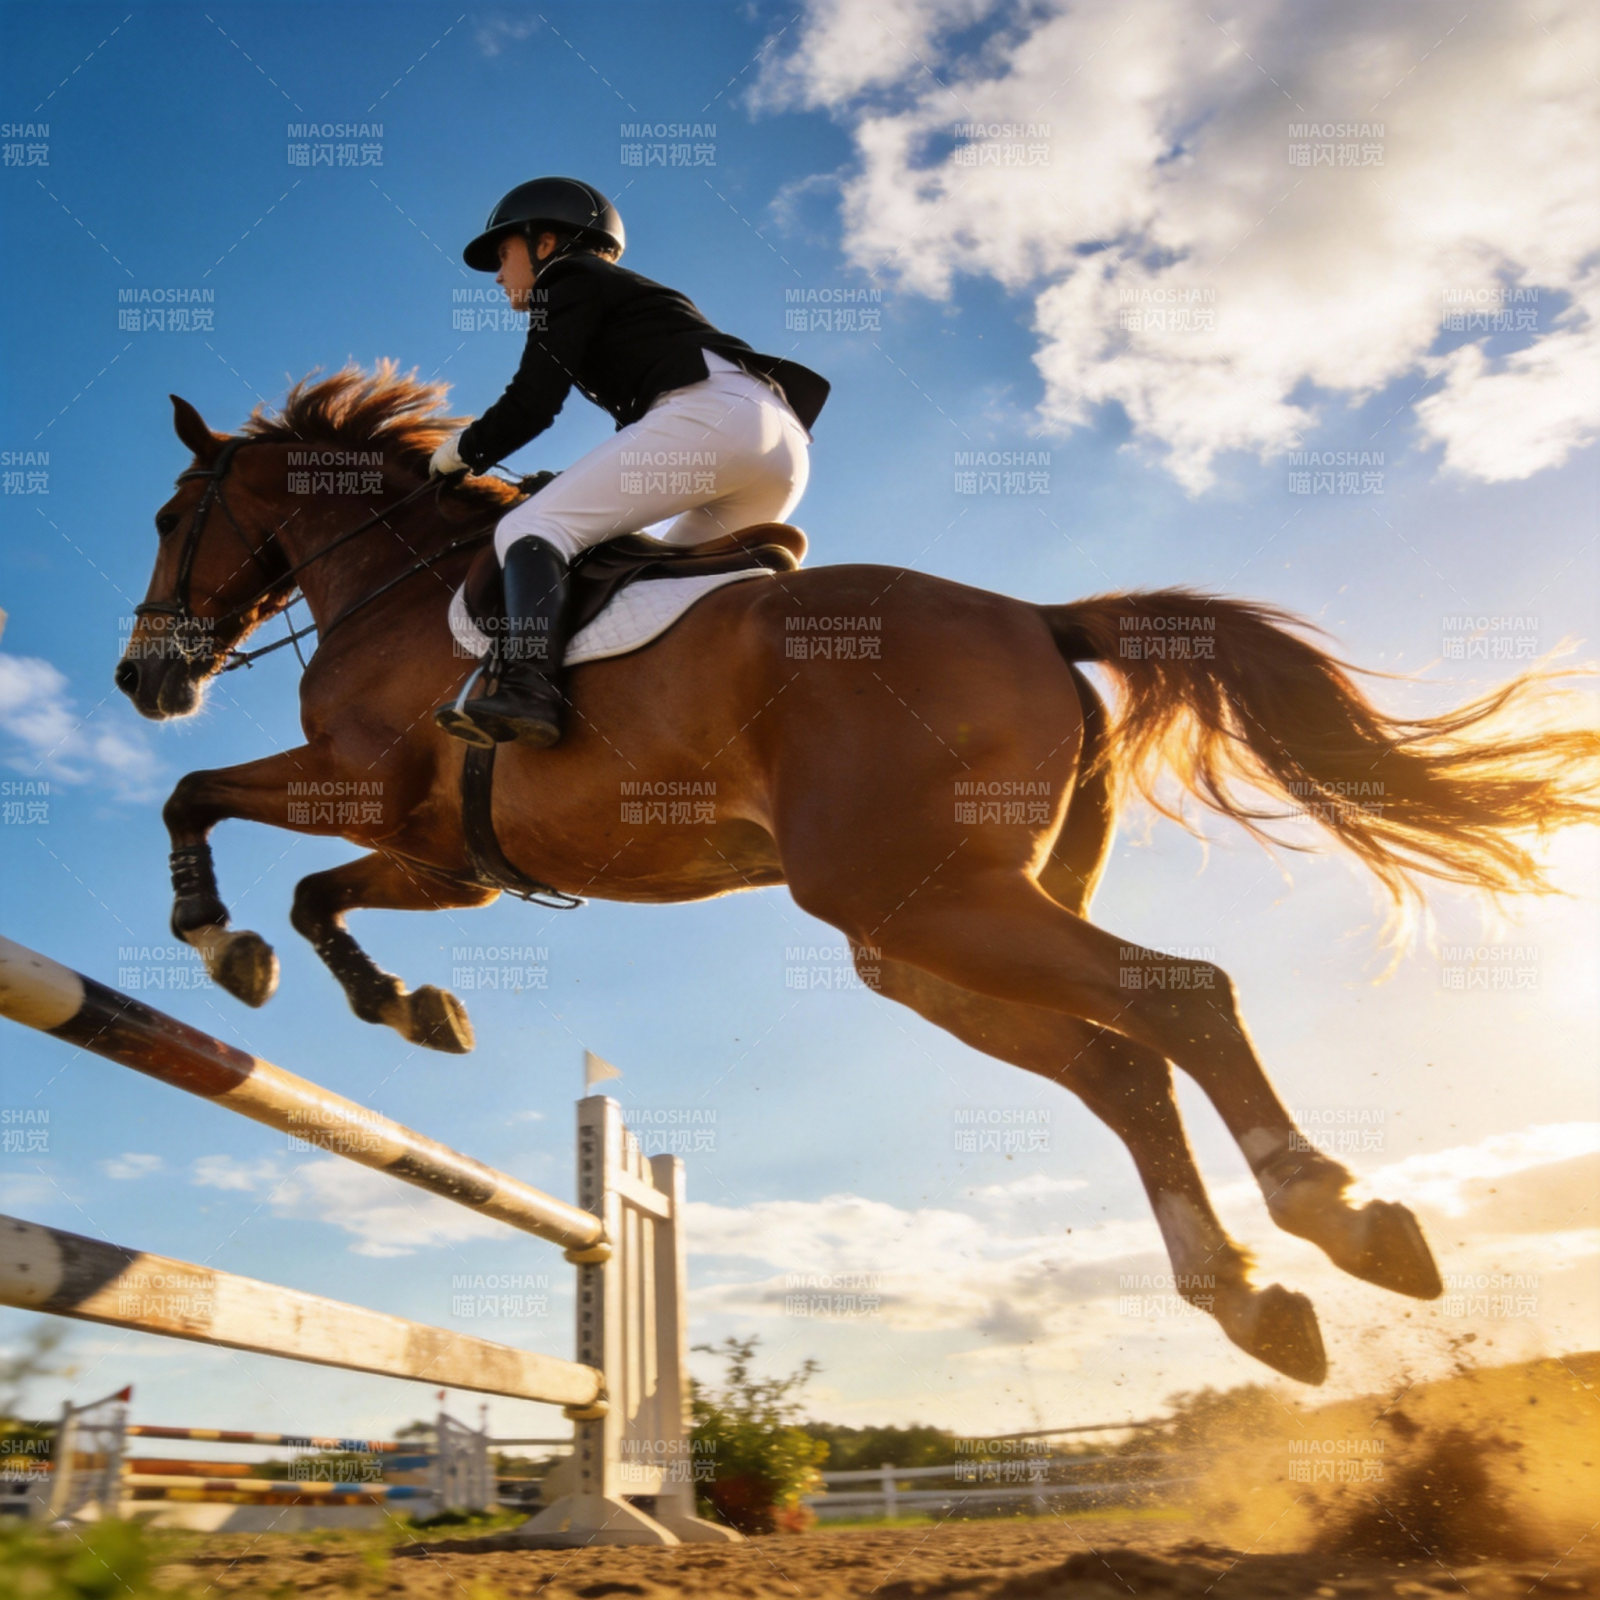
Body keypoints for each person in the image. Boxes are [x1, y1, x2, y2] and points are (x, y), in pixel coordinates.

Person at [430, 176, 829, 749]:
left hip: (716, 419)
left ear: (545, 243)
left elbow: (533, 403)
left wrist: (458, 454)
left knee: (529, 528)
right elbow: (650, 442)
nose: (497, 275)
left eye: (503, 254)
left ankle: (529, 690)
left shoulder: (565, 278)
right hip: (778, 446)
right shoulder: (618, 291)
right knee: (668, 594)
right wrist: (567, 482)